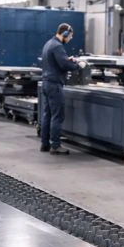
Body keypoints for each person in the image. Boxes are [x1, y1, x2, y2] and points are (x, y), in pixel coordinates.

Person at [39, 23, 87, 155]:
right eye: (70, 36)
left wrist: (67, 59)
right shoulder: (58, 46)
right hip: (55, 86)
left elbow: (59, 61)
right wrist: (77, 64)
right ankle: (55, 146)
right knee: (57, 116)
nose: (70, 39)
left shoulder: (48, 44)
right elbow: (65, 65)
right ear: (65, 34)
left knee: (47, 114)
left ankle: (44, 144)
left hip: (46, 83)